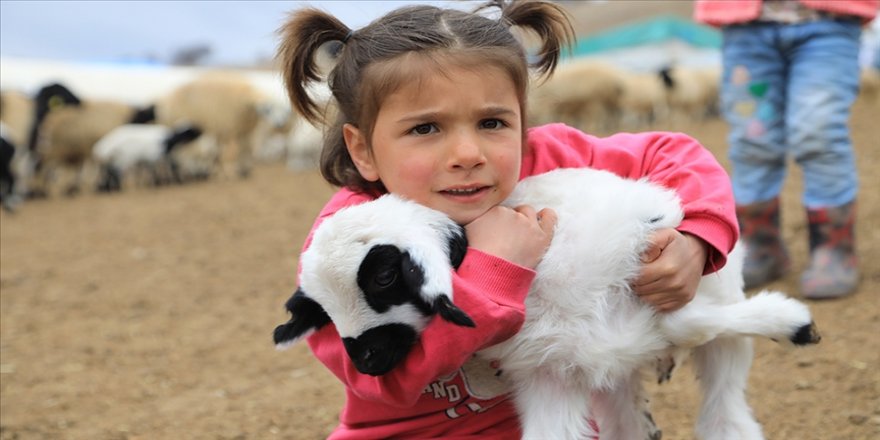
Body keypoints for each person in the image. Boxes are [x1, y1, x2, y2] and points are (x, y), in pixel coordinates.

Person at [276, 1, 738, 438]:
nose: (468, 154)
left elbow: (674, 153)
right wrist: (493, 273)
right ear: (363, 150)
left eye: (493, 123)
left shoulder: (549, 156)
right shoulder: (349, 245)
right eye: (425, 128)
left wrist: (696, 241)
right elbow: (380, 376)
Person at [694, 0, 878, 299]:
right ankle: (759, 245)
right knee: (752, 139)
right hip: (745, 27)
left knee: (819, 133)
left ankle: (833, 247)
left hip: (828, 22)